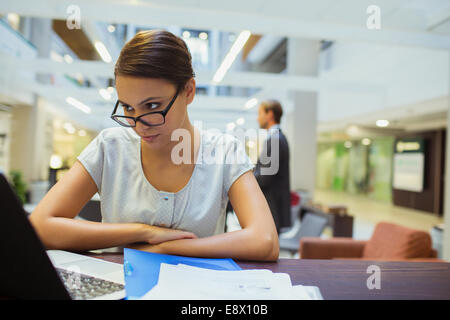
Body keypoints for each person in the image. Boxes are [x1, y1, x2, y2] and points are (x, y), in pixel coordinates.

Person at [30, 30, 278, 261]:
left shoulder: (223, 151)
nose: (139, 125)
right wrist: (142, 232)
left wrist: (165, 247)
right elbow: (41, 227)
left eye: (151, 106)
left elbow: (265, 241)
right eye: (128, 107)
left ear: (189, 91)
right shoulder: (110, 147)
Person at [254, 100, 291, 234]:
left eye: (260, 113)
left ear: (269, 114)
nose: (257, 118)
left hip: (272, 207)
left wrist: (246, 178)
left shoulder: (275, 139)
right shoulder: (278, 138)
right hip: (273, 207)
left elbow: (265, 177)